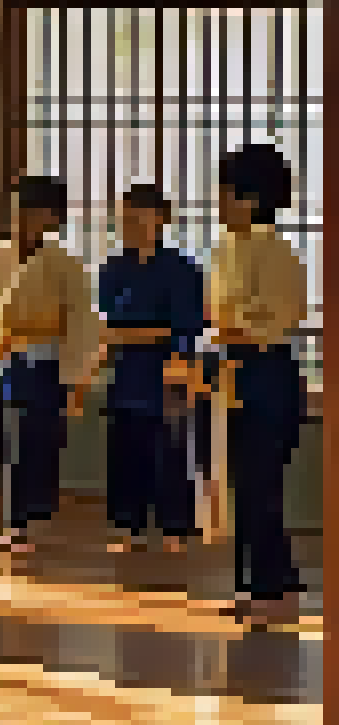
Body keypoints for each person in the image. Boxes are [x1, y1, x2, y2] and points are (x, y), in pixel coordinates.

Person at [169, 143, 309, 624]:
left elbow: (275, 321)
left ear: (250, 198)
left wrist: (222, 331)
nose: (220, 204)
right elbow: (216, 314)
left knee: (261, 486)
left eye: (226, 194)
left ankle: (275, 589)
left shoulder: (278, 253)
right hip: (230, 372)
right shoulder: (226, 248)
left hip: (267, 374)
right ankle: (258, 587)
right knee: (236, 486)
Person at [0, 174, 101, 559]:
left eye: (35, 211)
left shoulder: (66, 264)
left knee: (40, 440)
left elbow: (82, 321)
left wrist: (75, 377)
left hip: (47, 362)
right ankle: (14, 521)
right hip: (7, 359)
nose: (24, 219)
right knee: (8, 440)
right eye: (20, 210)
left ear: (51, 218)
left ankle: (31, 517)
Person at [95, 182, 206, 560]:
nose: (131, 227)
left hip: (168, 374)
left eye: (139, 219)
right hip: (127, 373)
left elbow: (187, 326)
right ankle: (129, 526)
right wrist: (140, 333)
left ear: (161, 220)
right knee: (126, 451)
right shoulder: (113, 268)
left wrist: (139, 333)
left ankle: (175, 527)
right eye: (125, 220)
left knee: (170, 453)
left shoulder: (182, 269)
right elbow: (107, 325)